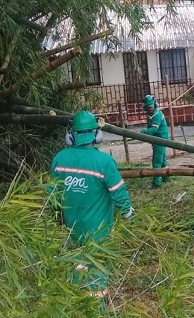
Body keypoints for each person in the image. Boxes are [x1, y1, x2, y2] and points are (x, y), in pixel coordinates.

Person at [49, 110, 134, 301]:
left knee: (76, 268)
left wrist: (56, 217)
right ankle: (96, 308)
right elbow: (119, 194)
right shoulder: (104, 162)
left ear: (70, 135)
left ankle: (77, 304)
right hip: (98, 232)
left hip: (71, 229)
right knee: (97, 273)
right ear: (97, 134)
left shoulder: (59, 159)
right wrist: (129, 214)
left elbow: (52, 196)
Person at [140, 94, 170, 188]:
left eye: (150, 107)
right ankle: (167, 177)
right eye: (147, 108)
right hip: (158, 138)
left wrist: (142, 132)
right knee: (163, 160)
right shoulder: (152, 114)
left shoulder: (157, 115)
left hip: (160, 139)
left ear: (154, 104)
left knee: (157, 161)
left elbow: (153, 130)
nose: (149, 109)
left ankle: (157, 183)